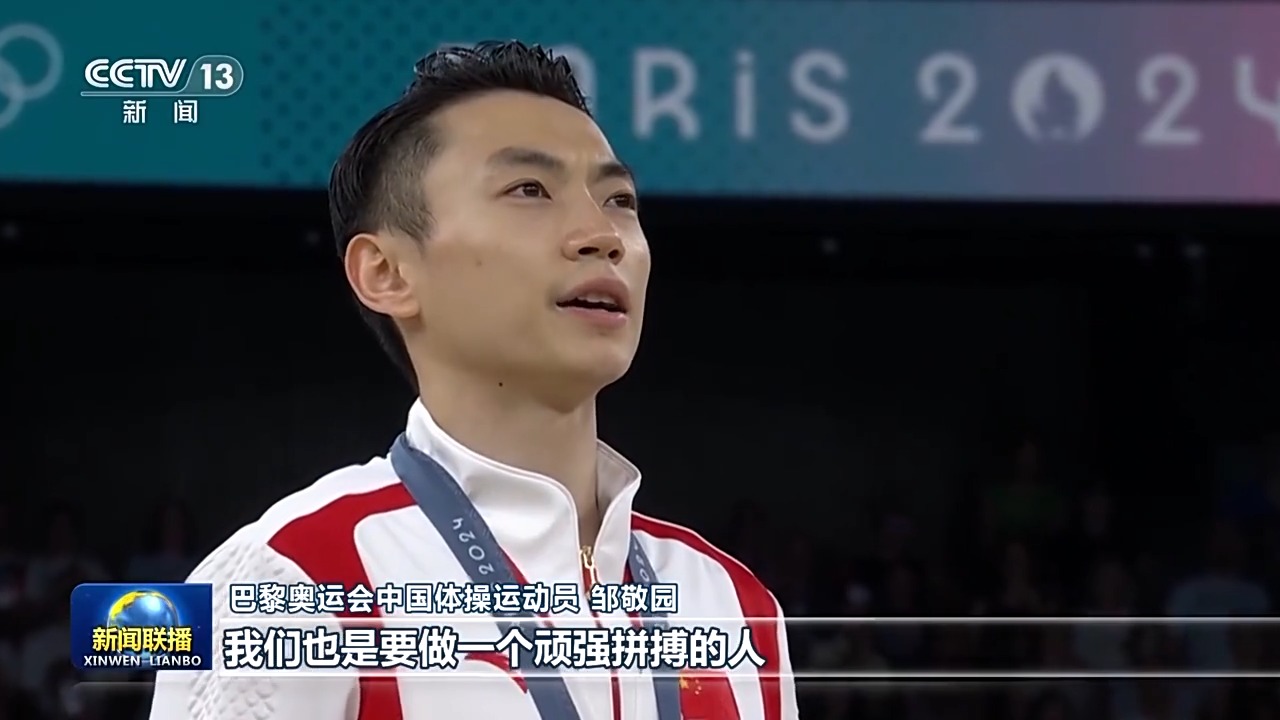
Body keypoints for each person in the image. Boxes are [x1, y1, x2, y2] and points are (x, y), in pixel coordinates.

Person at [149, 41, 798, 720]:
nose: (602, 234)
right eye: (529, 190)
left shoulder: (733, 603)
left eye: (619, 199)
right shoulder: (294, 575)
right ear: (387, 273)